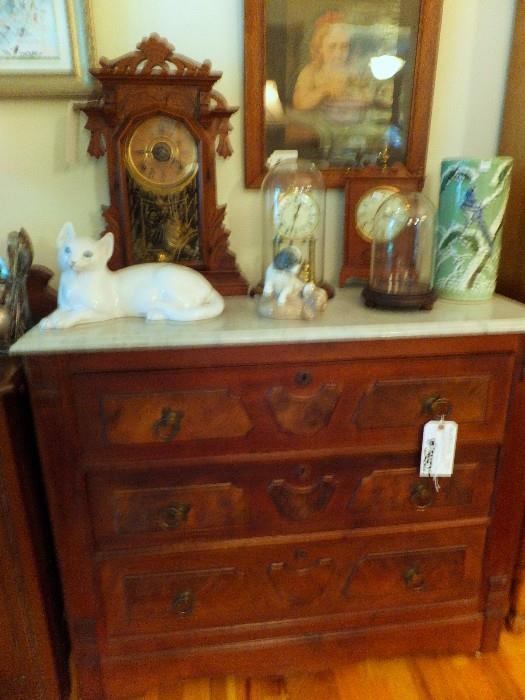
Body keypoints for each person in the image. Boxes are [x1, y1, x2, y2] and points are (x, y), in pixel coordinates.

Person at [290, 12, 393, 161]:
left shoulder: (354, 70)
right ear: (320, 48)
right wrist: (324, 90)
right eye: (332, 47)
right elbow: (300, 103)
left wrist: (366, 95)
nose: (338, 53)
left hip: (355, 128)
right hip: (323, 130)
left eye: (344, 47)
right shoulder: (311, 71)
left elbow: (371, 95)